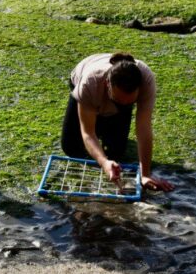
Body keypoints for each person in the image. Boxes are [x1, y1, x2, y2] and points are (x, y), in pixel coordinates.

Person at [61, 52, 175, 193]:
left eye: (130, 102)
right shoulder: (89, 83)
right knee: (71, 148)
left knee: (117, 152)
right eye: (120, 100)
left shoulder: (147, 81)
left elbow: (143, 128)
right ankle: (102, 121)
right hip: (83, 78)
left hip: (112, 96)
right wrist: (103, 162)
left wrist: (145, 174)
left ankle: (108, 123)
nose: (124, 104)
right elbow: (88, 133)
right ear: (107, 84)